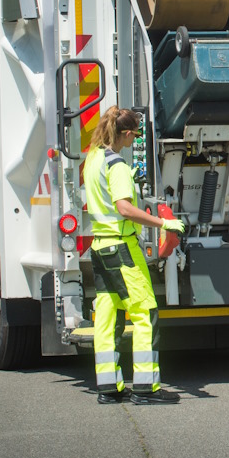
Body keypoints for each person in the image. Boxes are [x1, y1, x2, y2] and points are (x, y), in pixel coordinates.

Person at [85, 106, 186, 405]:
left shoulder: (94, 158)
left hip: (100, 247)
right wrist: (164, 223)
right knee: (145, 312)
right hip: (121, 248)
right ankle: (144, 388)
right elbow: (124, 209)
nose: (135, 140)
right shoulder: (115, 164)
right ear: (126, 133)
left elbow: (102, 196)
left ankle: (109, 387)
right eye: (135, 135)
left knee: (107, 317)